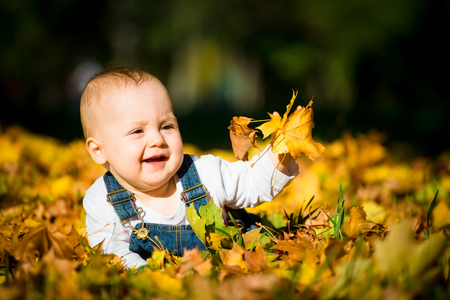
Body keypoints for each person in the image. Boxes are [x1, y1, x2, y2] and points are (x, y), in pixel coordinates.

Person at [81, 67, 299, 269]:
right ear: (99, 150)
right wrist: (152, 278)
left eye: (167, 126)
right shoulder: (102, 200)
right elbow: (115, 255)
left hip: (230, 268)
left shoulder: (203, 173)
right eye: (137, 131)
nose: (157, 139)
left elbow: (252, 183)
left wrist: (280, 152)